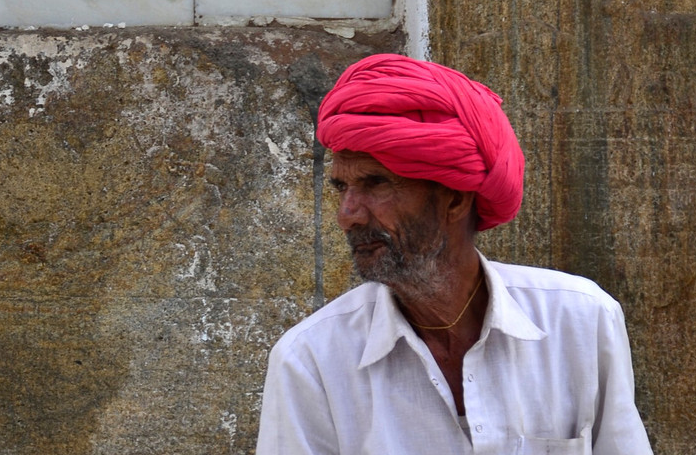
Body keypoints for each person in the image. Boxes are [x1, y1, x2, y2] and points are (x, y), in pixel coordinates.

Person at [256, 54, 652, 455]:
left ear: (455, 199)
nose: (347, 215)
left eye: (375, 183)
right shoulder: (310, 360)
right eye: (342, 188)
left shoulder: (580, 321)